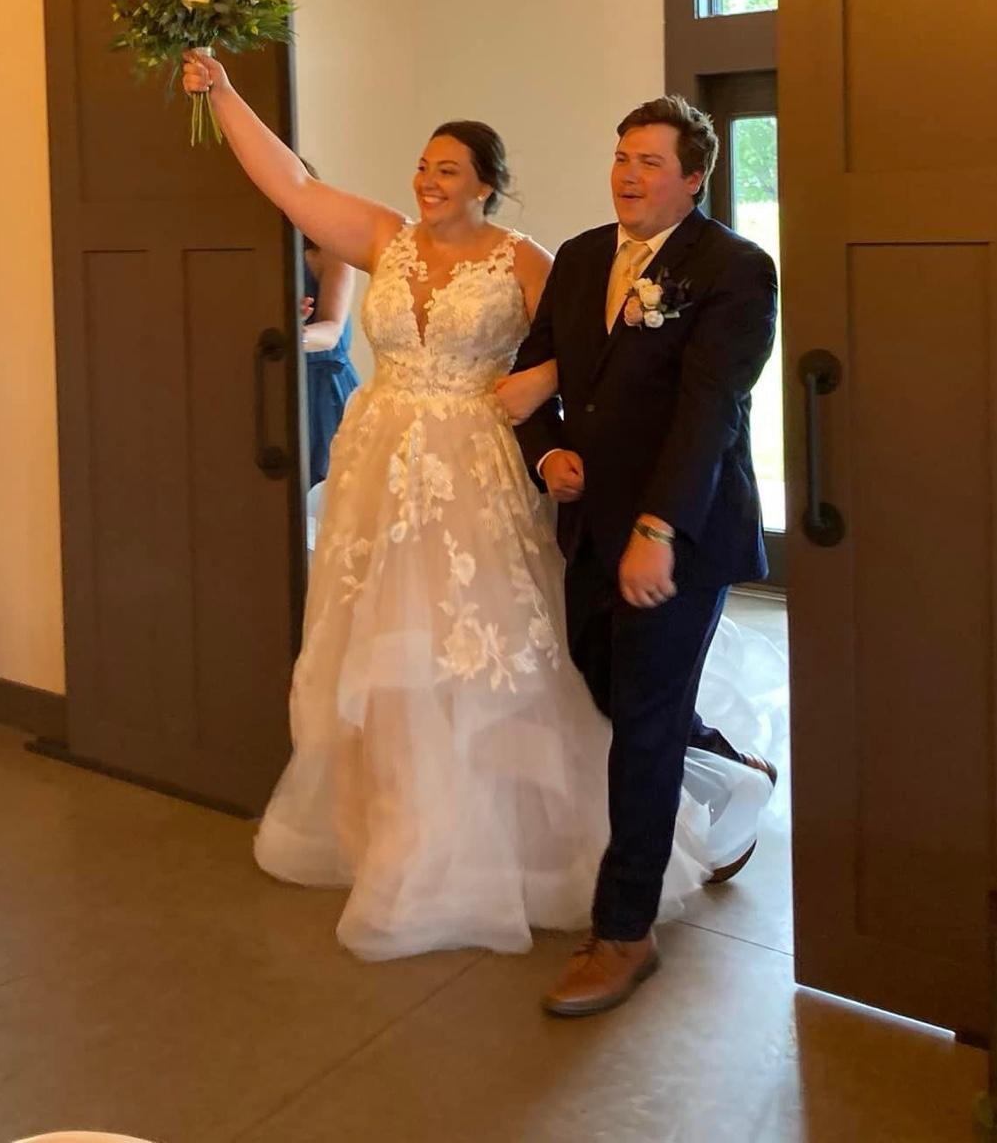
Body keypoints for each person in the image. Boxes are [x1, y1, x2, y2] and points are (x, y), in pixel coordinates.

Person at [179, 51, 761, 960]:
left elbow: (598, 353)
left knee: (506, 657)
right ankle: (403, 837)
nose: (428, 181)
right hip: (381, 476)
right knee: (395, 657)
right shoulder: (388, 239)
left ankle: (596, 865)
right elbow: (291, 185)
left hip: (479, 475)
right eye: (422, 166)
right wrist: (222, 94)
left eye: (448, 169)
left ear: (486, 184)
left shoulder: (531, 260)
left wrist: (545, 399)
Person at [502, 94, 779, 1017]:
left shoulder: (735, 269)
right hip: (589, 521)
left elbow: (710, 412)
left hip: (681, 531)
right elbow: (534, 375)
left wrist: (658, 530)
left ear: (694, 179)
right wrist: (548, 453)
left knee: (645, 727)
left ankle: (623, 933)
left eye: (650, 161)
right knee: (604, 683)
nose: (628, 174)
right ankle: (731, 769)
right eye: (622, 156)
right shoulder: (582, 257)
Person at [297, 160, 360, 489]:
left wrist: (292, 334)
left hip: (323, 389)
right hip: (274, 380)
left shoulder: (332, 250)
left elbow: (332, 331)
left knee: (327, 493)